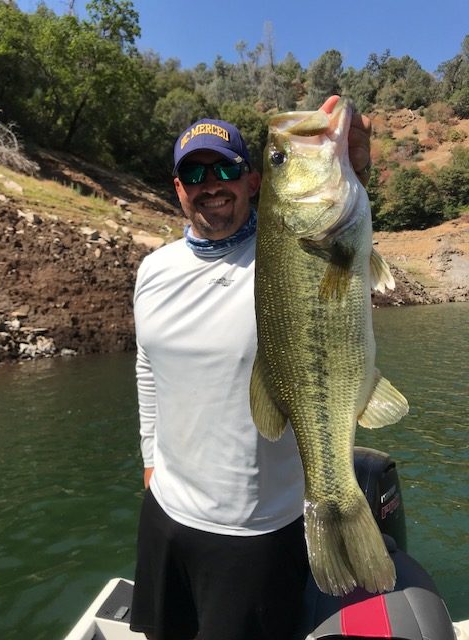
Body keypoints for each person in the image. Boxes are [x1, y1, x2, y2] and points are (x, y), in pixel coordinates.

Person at [130, 96, 372, 640]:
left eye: (226, 169)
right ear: (177, 188)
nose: (210, 183)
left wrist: (350, 167)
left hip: (257, 532)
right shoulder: (152, 271)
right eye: (194, 171)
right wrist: (149, 459)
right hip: (167, 514)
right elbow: (148, 368)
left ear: (254, 181)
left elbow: (337, 235)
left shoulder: (287, 249)